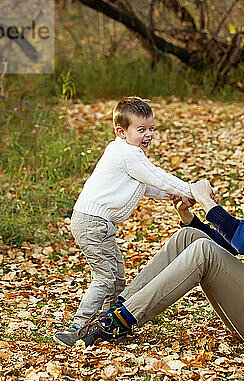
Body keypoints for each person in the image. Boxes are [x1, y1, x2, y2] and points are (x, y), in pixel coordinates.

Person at [76, 134, 244, 346]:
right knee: (190, 236)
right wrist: (189, 217)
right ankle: (117, 309)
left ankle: (116, 324)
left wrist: (208, 202)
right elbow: (228, 246)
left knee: (204, 252)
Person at [53, 97, 194, 347]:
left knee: (117, 277)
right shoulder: (126, 153)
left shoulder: (130, 154)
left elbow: (146, 186)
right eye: (141, 130)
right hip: (91, 222)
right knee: (105, 277)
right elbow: (155, 176)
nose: (148, 134)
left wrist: (175, 195)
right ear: (122, 131)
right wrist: (191, 190)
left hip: (101, 224)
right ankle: (77, 329)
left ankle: (110, 325)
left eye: (151, 128)